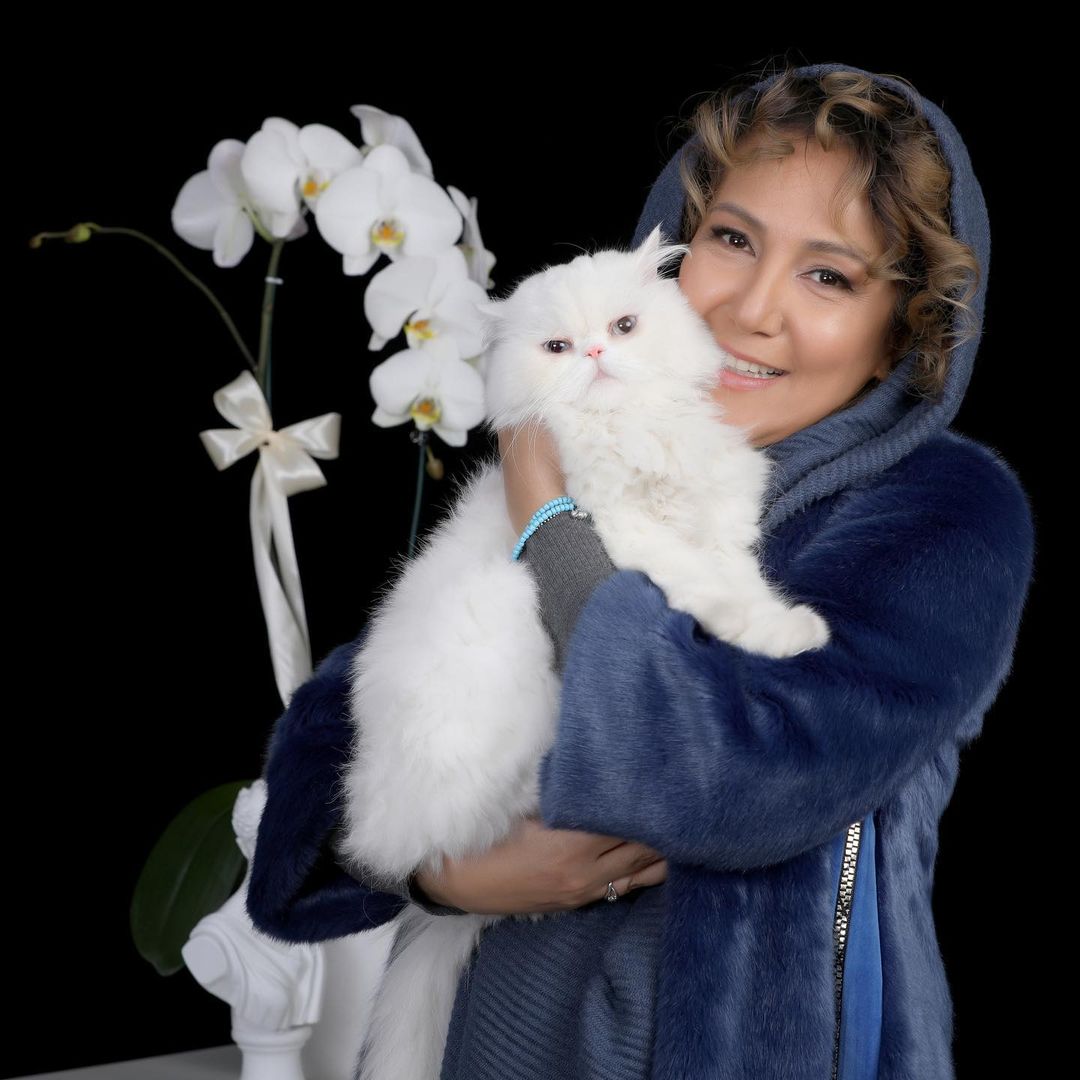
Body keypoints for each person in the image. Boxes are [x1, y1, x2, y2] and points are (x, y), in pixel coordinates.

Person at [246, 60, 1036, 1080]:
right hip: (495, 1044)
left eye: (830, 276)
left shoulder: (941, 518)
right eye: (733, 239)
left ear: (903, 332)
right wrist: (449, 879)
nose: (753, 308)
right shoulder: (588, 427)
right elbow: (337, 745)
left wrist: (551, 525)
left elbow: (727, 777)